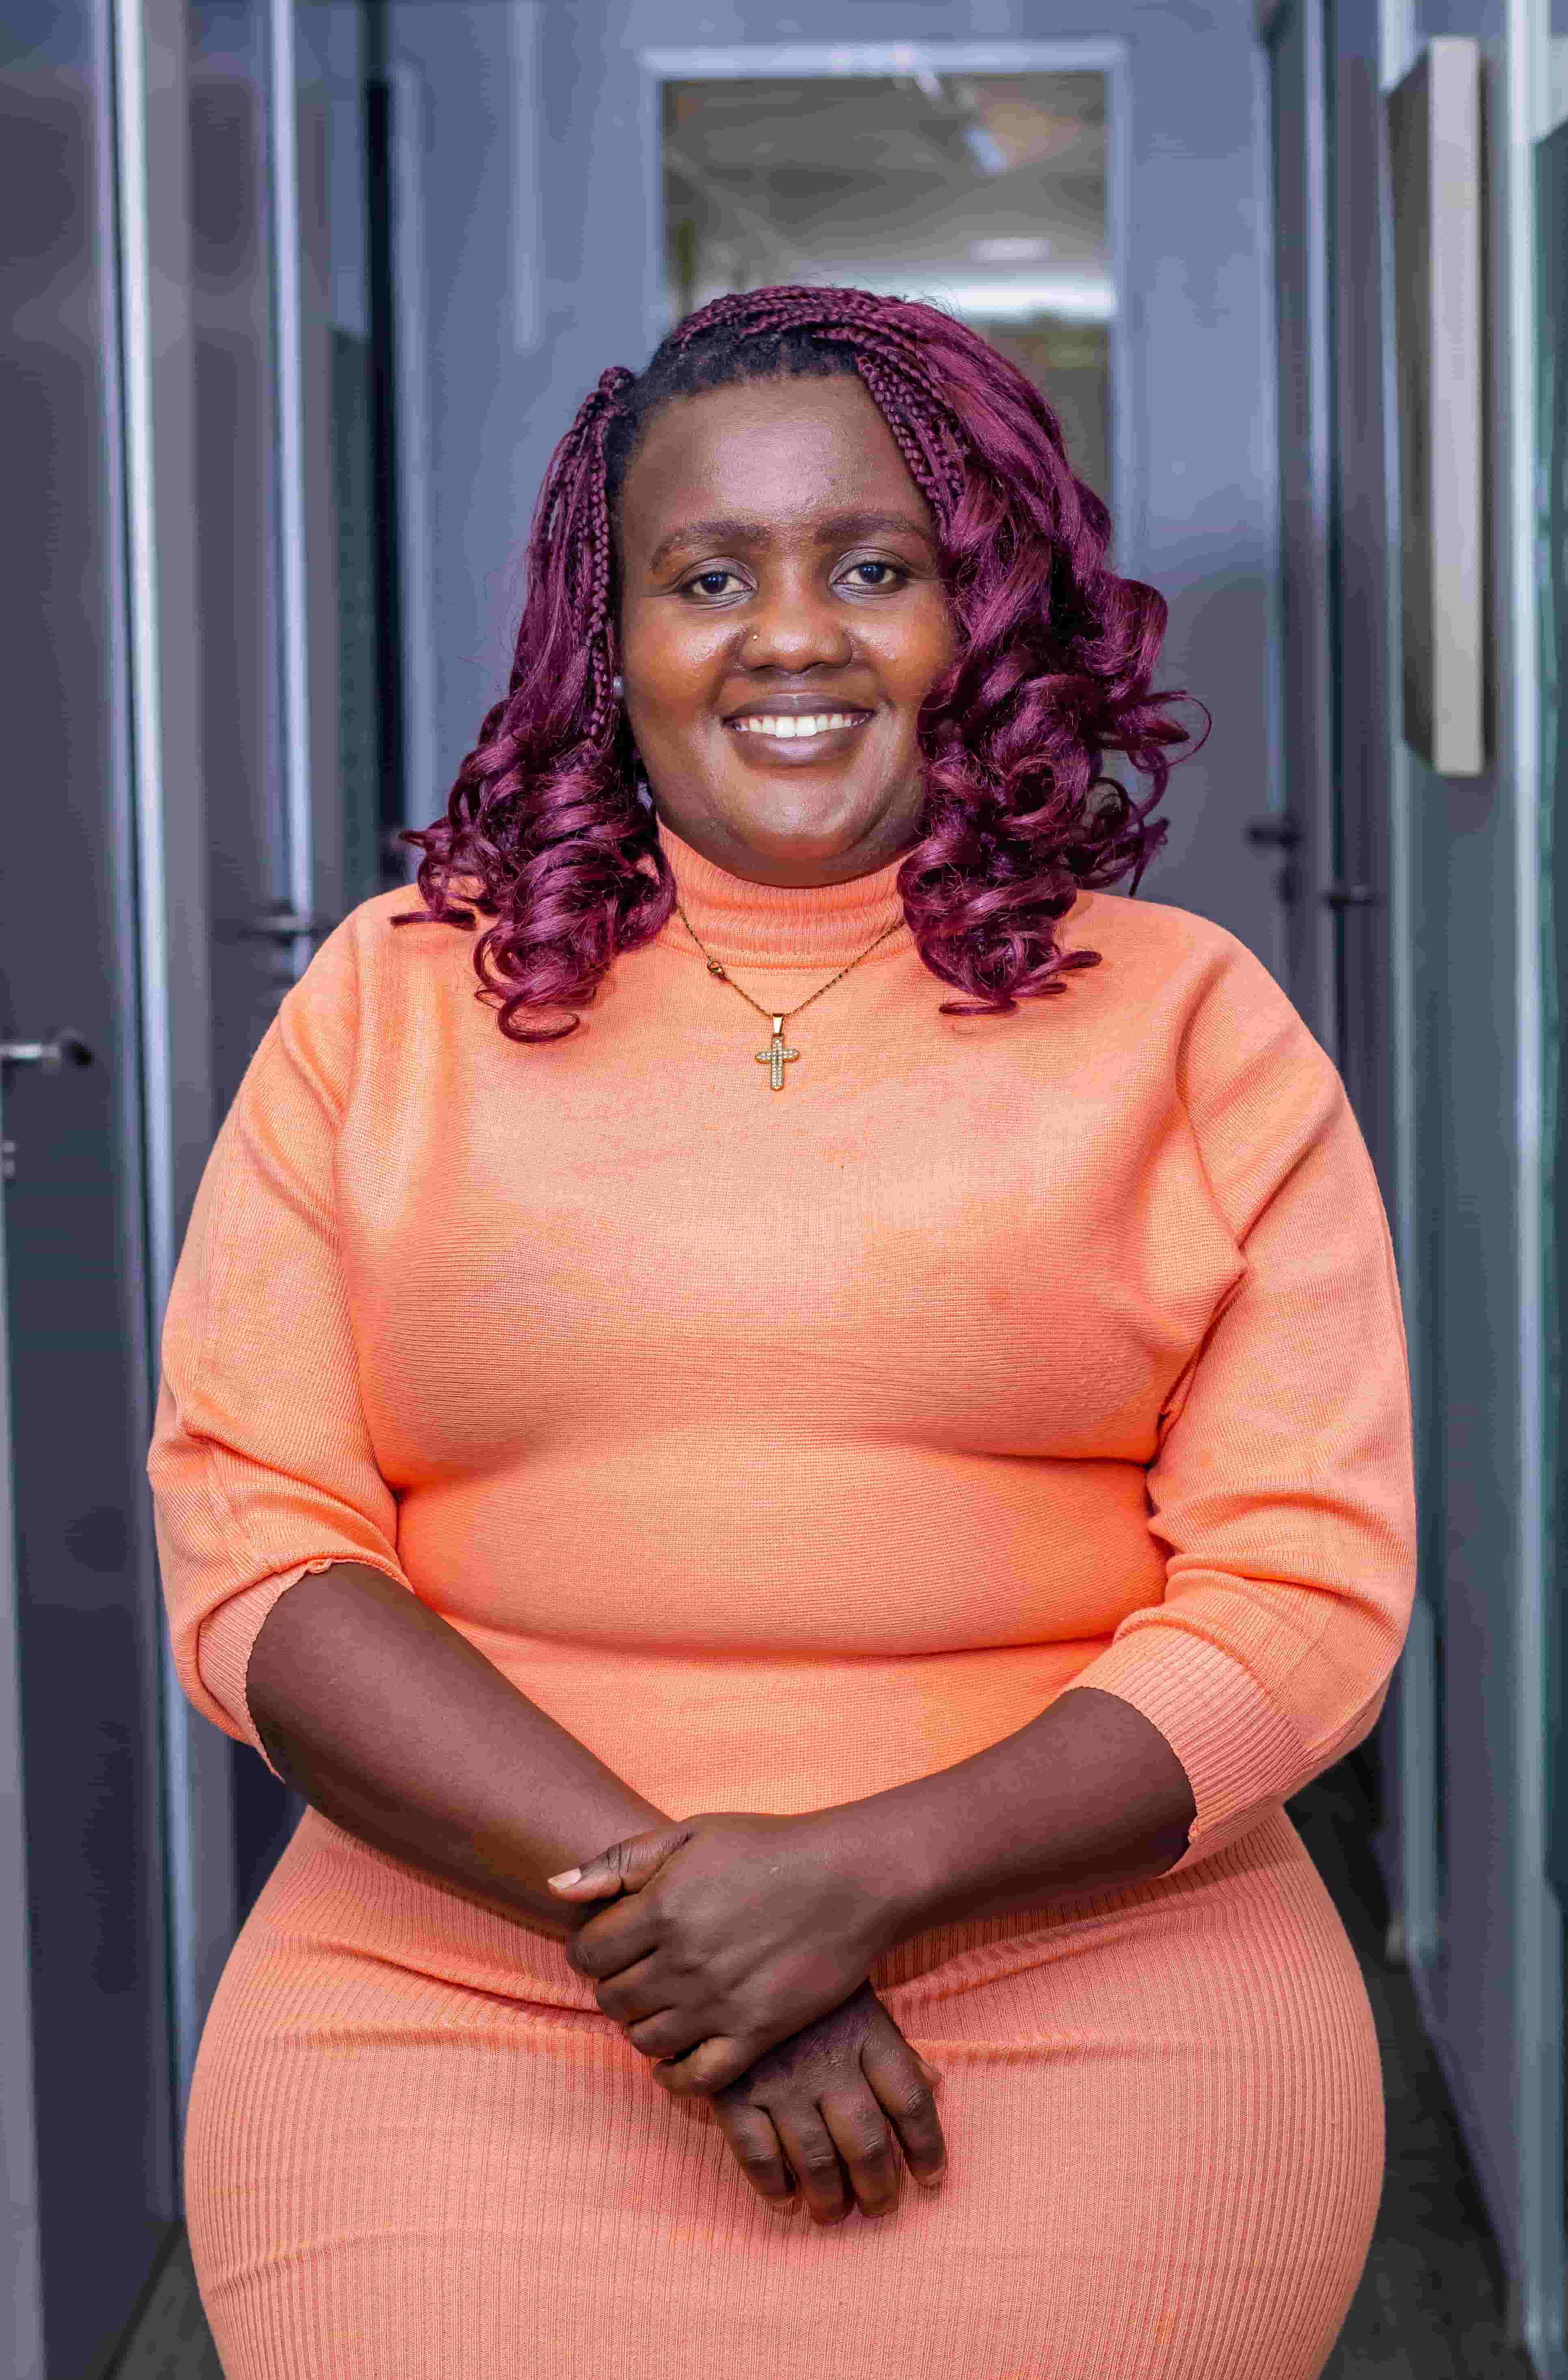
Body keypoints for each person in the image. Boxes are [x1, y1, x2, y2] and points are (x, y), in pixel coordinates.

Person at [147, 284, 1417, 2380]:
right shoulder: (388, 1002)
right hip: (459, 1990)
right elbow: (255, 1537)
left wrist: (859, 1884)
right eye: (709, 578)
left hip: (1098, 1987)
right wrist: (694, 1931)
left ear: (980, 612)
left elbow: (1305, 1591)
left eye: (873, 569)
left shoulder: (1192, 1022)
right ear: (609, 634)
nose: (791, 637)